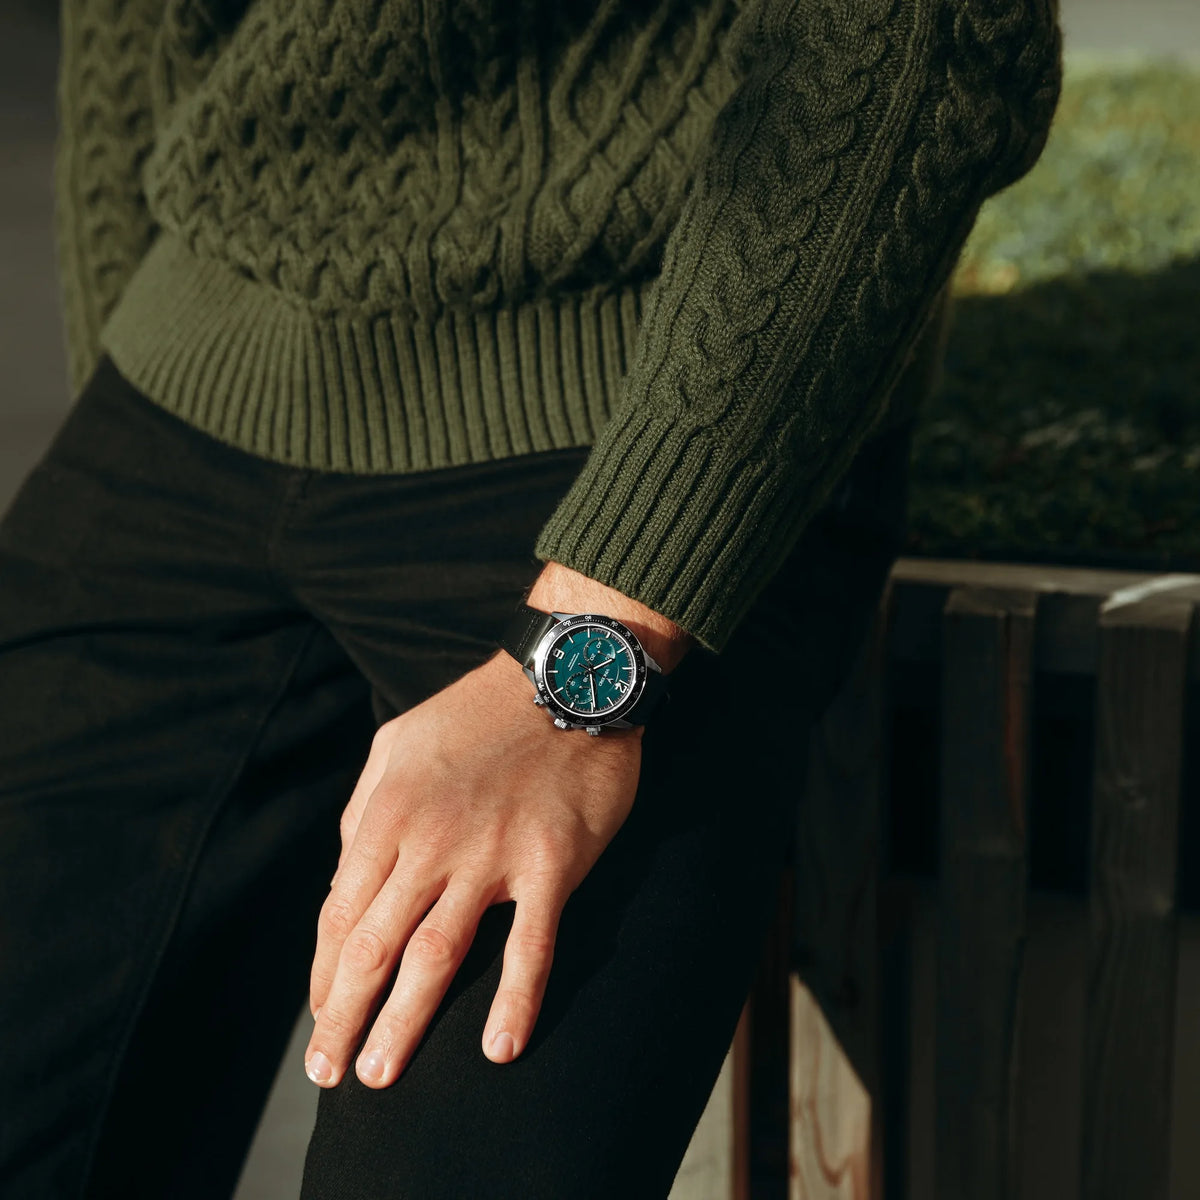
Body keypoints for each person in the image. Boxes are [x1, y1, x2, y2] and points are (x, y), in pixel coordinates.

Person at [0, 0, 1062, 1195]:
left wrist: (596, 643)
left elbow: (924, 42)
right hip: (178, 395)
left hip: (624, 437)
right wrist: (143, 369)